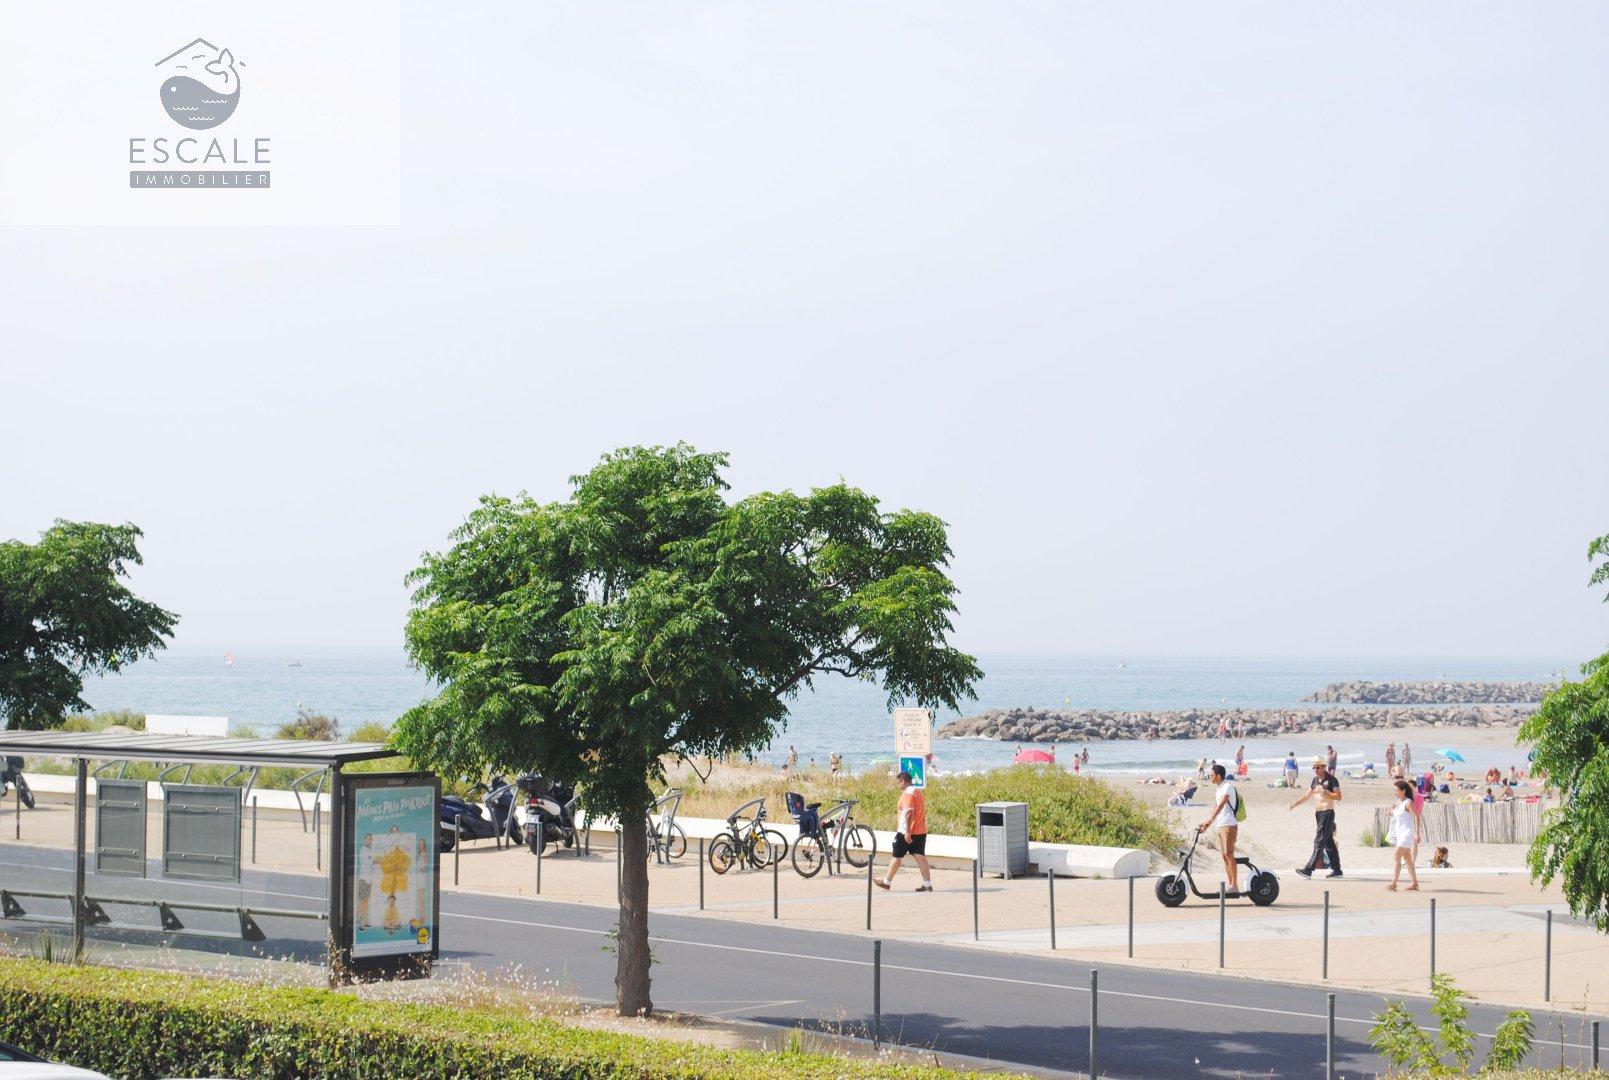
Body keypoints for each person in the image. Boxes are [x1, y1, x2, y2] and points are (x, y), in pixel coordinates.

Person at [874, 771, 931, 892]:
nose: (898, 785)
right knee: (920, 856)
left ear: (903, 782)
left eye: (898, 782)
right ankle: (927, 884)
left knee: (896, 856)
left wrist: (907, 831)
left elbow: (909, 812)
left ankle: (886, 882)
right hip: (920, 830)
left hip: (907, 831)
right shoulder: (917, 791)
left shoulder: (908, 793)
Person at [1290, 754, 1343, 878]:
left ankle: (1308, 869)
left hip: (1327, 812)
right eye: (1313, 767)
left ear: (1324, 767)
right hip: (1318, 814)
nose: (1315, 770)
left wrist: (1325, 791)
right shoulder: (1314, 781)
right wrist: (1295, 803)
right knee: (1328, 842)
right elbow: (1307, 795)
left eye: (1318, 767)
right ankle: (1337, 870)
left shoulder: (1332, 780)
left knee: (1319, 840)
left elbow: (1339, 797)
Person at [1197, 763, 1241, 894]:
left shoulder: (1227, 787)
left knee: (1229, 854)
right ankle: (1231, 886)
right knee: (1224, 856)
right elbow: (1216, 807)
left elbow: (1222, 805)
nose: (1210, 777)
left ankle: (1234, 886)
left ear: (1218, 776)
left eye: (1212, 775)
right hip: (1221, 825)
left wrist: (1210, 821)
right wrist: (1207, 823)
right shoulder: (1218, 790)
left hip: (1229, 824)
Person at [1387, 779, 1421, 892]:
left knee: (1396, 856)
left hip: (1407, 834)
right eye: (1394, 790)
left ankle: (1394, 884)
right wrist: (1391, 812)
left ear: (1404, 791)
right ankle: (1414, 884)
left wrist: (1417, 833)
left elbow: (1416, 817)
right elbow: (1398, 815)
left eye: (1397, 790)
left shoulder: (1408, 802)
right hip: (1400, 834)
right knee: (1408, 859)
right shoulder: (1399, 803)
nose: (1395, 792)